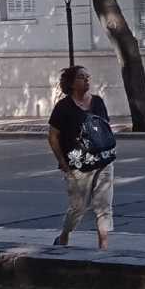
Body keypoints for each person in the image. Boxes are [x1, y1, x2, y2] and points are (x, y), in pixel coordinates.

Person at [47, 66, 116, 250]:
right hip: (78, 165)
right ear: (71, 83)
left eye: (88, 76)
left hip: (104, 160)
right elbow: (53, 135)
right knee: (78, 208)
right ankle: (64, 236)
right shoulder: (63, 107)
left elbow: (104, 127)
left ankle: (103, 246)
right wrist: (62, 162)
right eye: (81, 77)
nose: (86, 80)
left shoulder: (98, 102)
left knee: (104, 206)